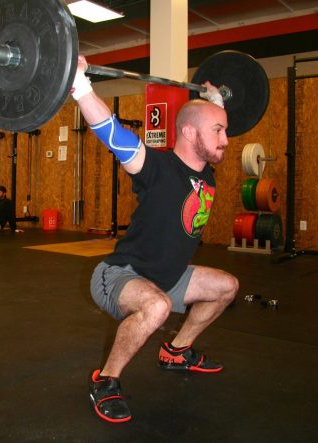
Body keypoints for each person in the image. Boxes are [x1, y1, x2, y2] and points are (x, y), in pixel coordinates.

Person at [71, 56, 239, 423]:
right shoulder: (155, 168)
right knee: (157, 307)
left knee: (227, 286)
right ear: (191, 134)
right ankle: (105, 381)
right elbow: (111, 133)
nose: (226, 140)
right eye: (219, 131)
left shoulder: (206, 172)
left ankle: (177, 351)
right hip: (121, 274)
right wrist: (81, 87)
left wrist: (218, 105)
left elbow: (210, 129)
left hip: (170, 275)